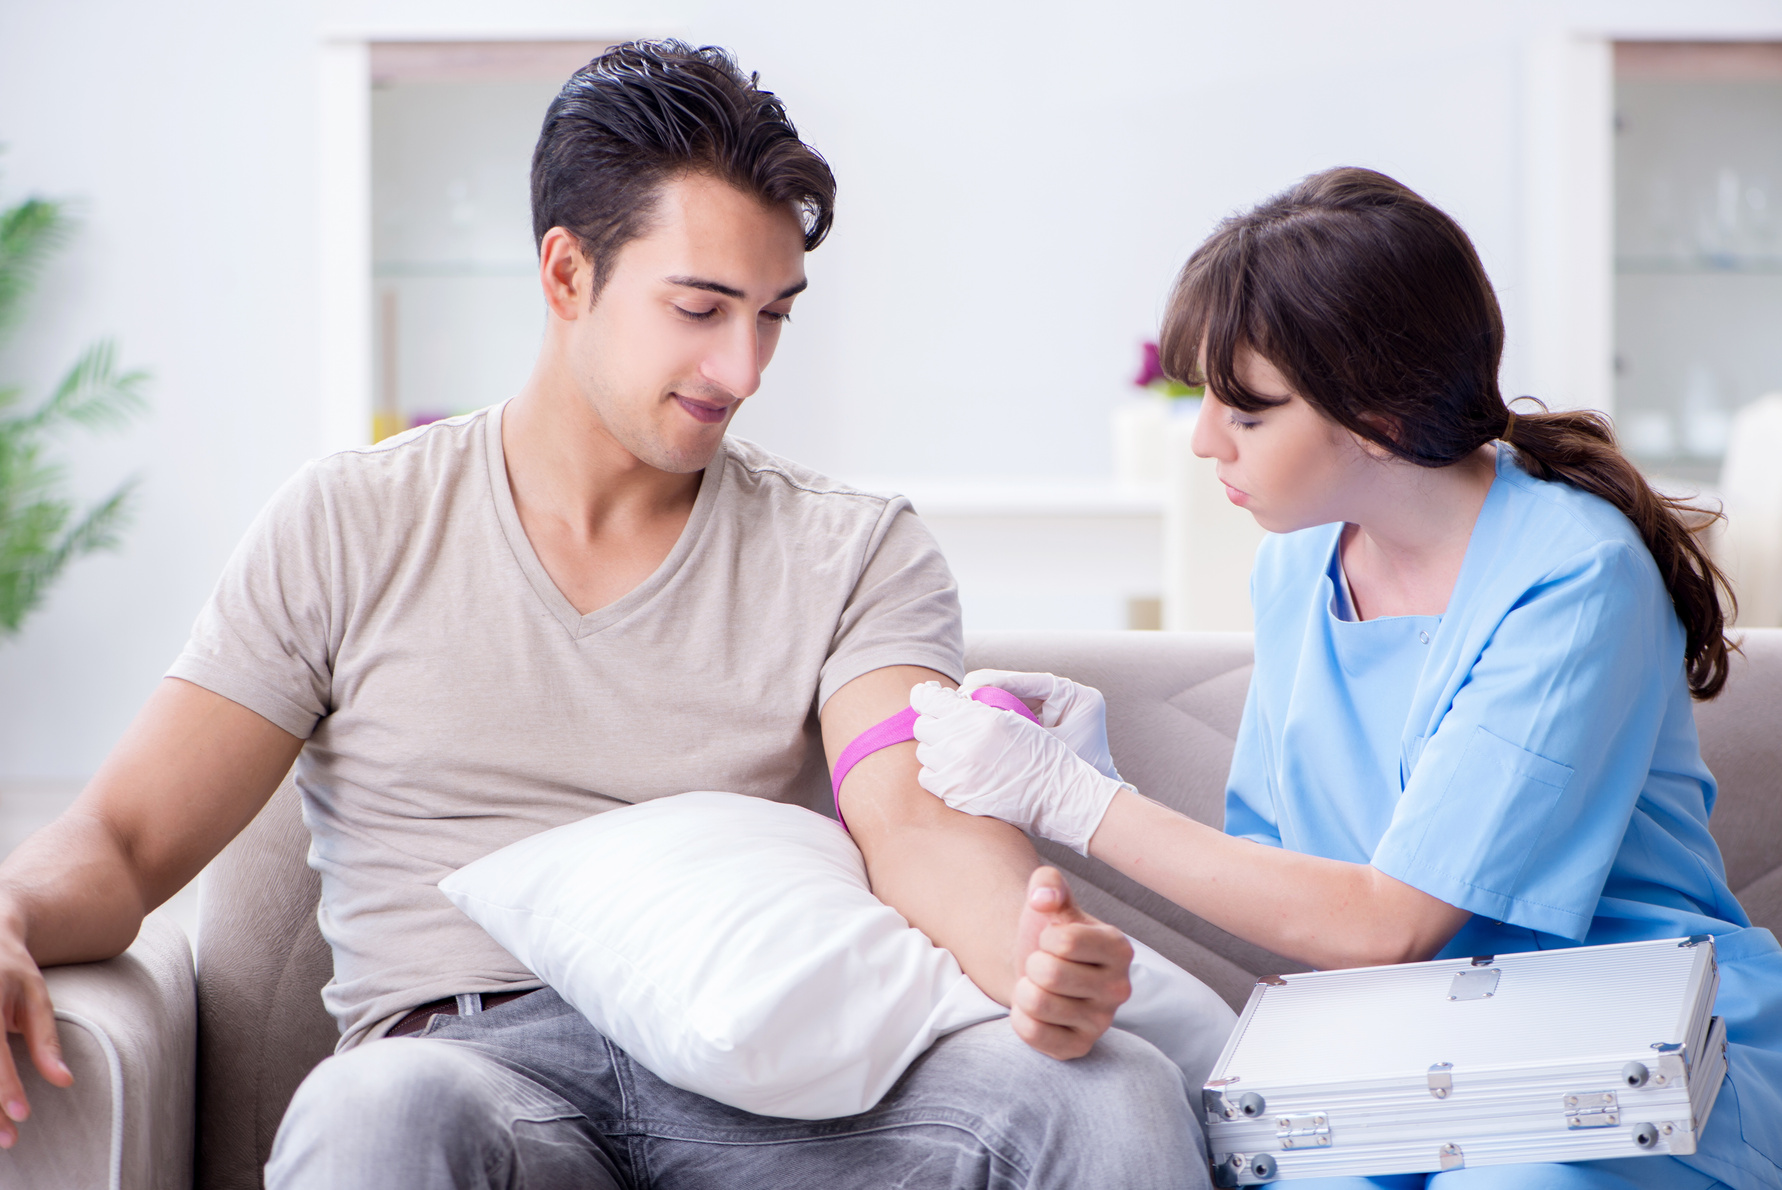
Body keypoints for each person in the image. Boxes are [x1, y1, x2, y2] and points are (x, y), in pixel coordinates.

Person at [0, 41, 1210, 1188]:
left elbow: (913, 825)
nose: (743, 367)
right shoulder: (348, 525)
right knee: (372, 1108)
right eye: (700, 307)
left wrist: (1030, 957)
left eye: (775, 312)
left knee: (1108, 1091)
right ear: (567, 272)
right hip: (468, 1070)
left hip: (782, 1085)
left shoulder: (855, 546)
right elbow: (126, 842)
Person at [912, 167, 1782, 1189]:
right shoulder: (1299, 562)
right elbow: (1302, 916)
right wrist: (1111, 782)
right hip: (1403, 1053)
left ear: (1377, 413)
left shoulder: (1573, 576)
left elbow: (1383, 922)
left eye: (1247, 411)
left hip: (1628, 1059)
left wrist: (1078, 801)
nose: (1201, 440)